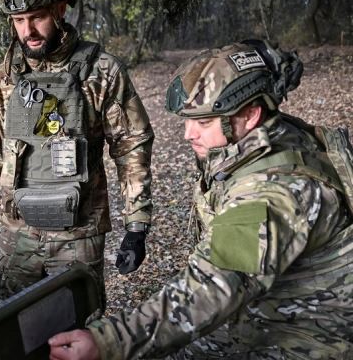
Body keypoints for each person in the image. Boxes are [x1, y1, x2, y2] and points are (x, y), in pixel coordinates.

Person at [49, 40, 353, 359]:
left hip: (306, 336)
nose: (188, 134)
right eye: (188, 120)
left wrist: (109, 342)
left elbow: (212, 288)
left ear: (250, 114)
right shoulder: (267, 138)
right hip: (273, 306)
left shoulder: (274, 192)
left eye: (203, 122)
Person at [0, 0, 154, 302]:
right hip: (15, 232)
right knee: (10, 326)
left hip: (80, 231)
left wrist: (136, 225)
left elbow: (131, 145)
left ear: (60, 9)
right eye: (19, 21)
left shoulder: (101, 71)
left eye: (37, 17)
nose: (27, 30)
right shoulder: (1, 79)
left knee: (79, 330)